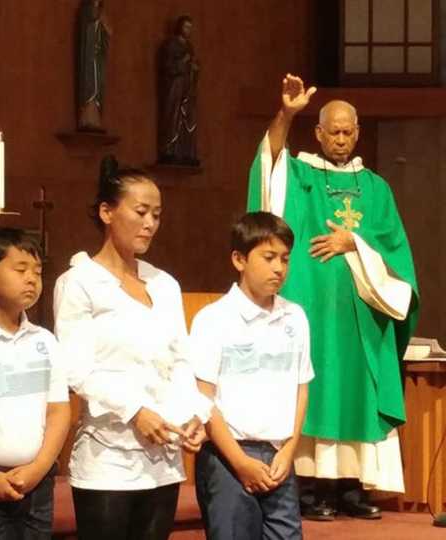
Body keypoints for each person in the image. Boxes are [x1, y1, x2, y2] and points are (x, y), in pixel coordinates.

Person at [247, 74, 419, 520]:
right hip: (313, 312)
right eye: (332, 132)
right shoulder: (303, 176)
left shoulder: (377, 188)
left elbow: (395, 248)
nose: (341, 139)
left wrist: (355, 243)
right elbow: (271, 166)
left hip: (361, 316)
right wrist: (286, 113)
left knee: (357, 390)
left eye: (348, 132)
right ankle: (310, 487)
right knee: (315, 387)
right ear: (319, 133)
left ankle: (350, 488)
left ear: (357, 133)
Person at [53, 155, 212, 540]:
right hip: (109, 455)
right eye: (140, 211)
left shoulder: (164, 284)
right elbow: (76, 368)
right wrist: (135, 411)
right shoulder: (80, 282)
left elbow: (180, 359)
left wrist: (194, 414)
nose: (150, 223)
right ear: (107, 212)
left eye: (156, 214)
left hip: (162, 453)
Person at [191, 211, 312, 540]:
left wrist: (289, 449)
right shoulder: (214, 319)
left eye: (285, 259)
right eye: (269, 257)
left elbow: (301, 388)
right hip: (228, 457)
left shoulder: (295, 317)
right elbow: (204, 399)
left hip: (279, 456)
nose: (279, 268)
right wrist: (240, 462)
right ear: (239, 259)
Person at [0, 228, 71, 540]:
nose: (32, 279)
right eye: (20, 269)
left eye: (38, 271)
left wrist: (40, 467)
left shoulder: (45, 341)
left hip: (36, 483)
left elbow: (59, 412)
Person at [158, 15, 199, 166]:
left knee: (187, 119)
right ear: (180, 27)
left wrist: (194, 68)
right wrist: (183, 62)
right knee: (173, 117)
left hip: (187, 91)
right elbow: (168, 67)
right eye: (186, 27)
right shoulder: (171, 45)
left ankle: (186, 152)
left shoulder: (189, 47)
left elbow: (192, 68)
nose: (188, 30)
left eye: (190, 28)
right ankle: (170, 150)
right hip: (175, 88)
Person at [76, 0, 112, 131]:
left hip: (98, 57)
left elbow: (107, 34)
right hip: (89, 55)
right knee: (89, 82)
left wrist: (106, 30)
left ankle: (96, 119)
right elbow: (86, 29)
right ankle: (87, 118)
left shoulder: (101, 13)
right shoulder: (86, 10)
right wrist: (97, 17)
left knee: (99, 83)